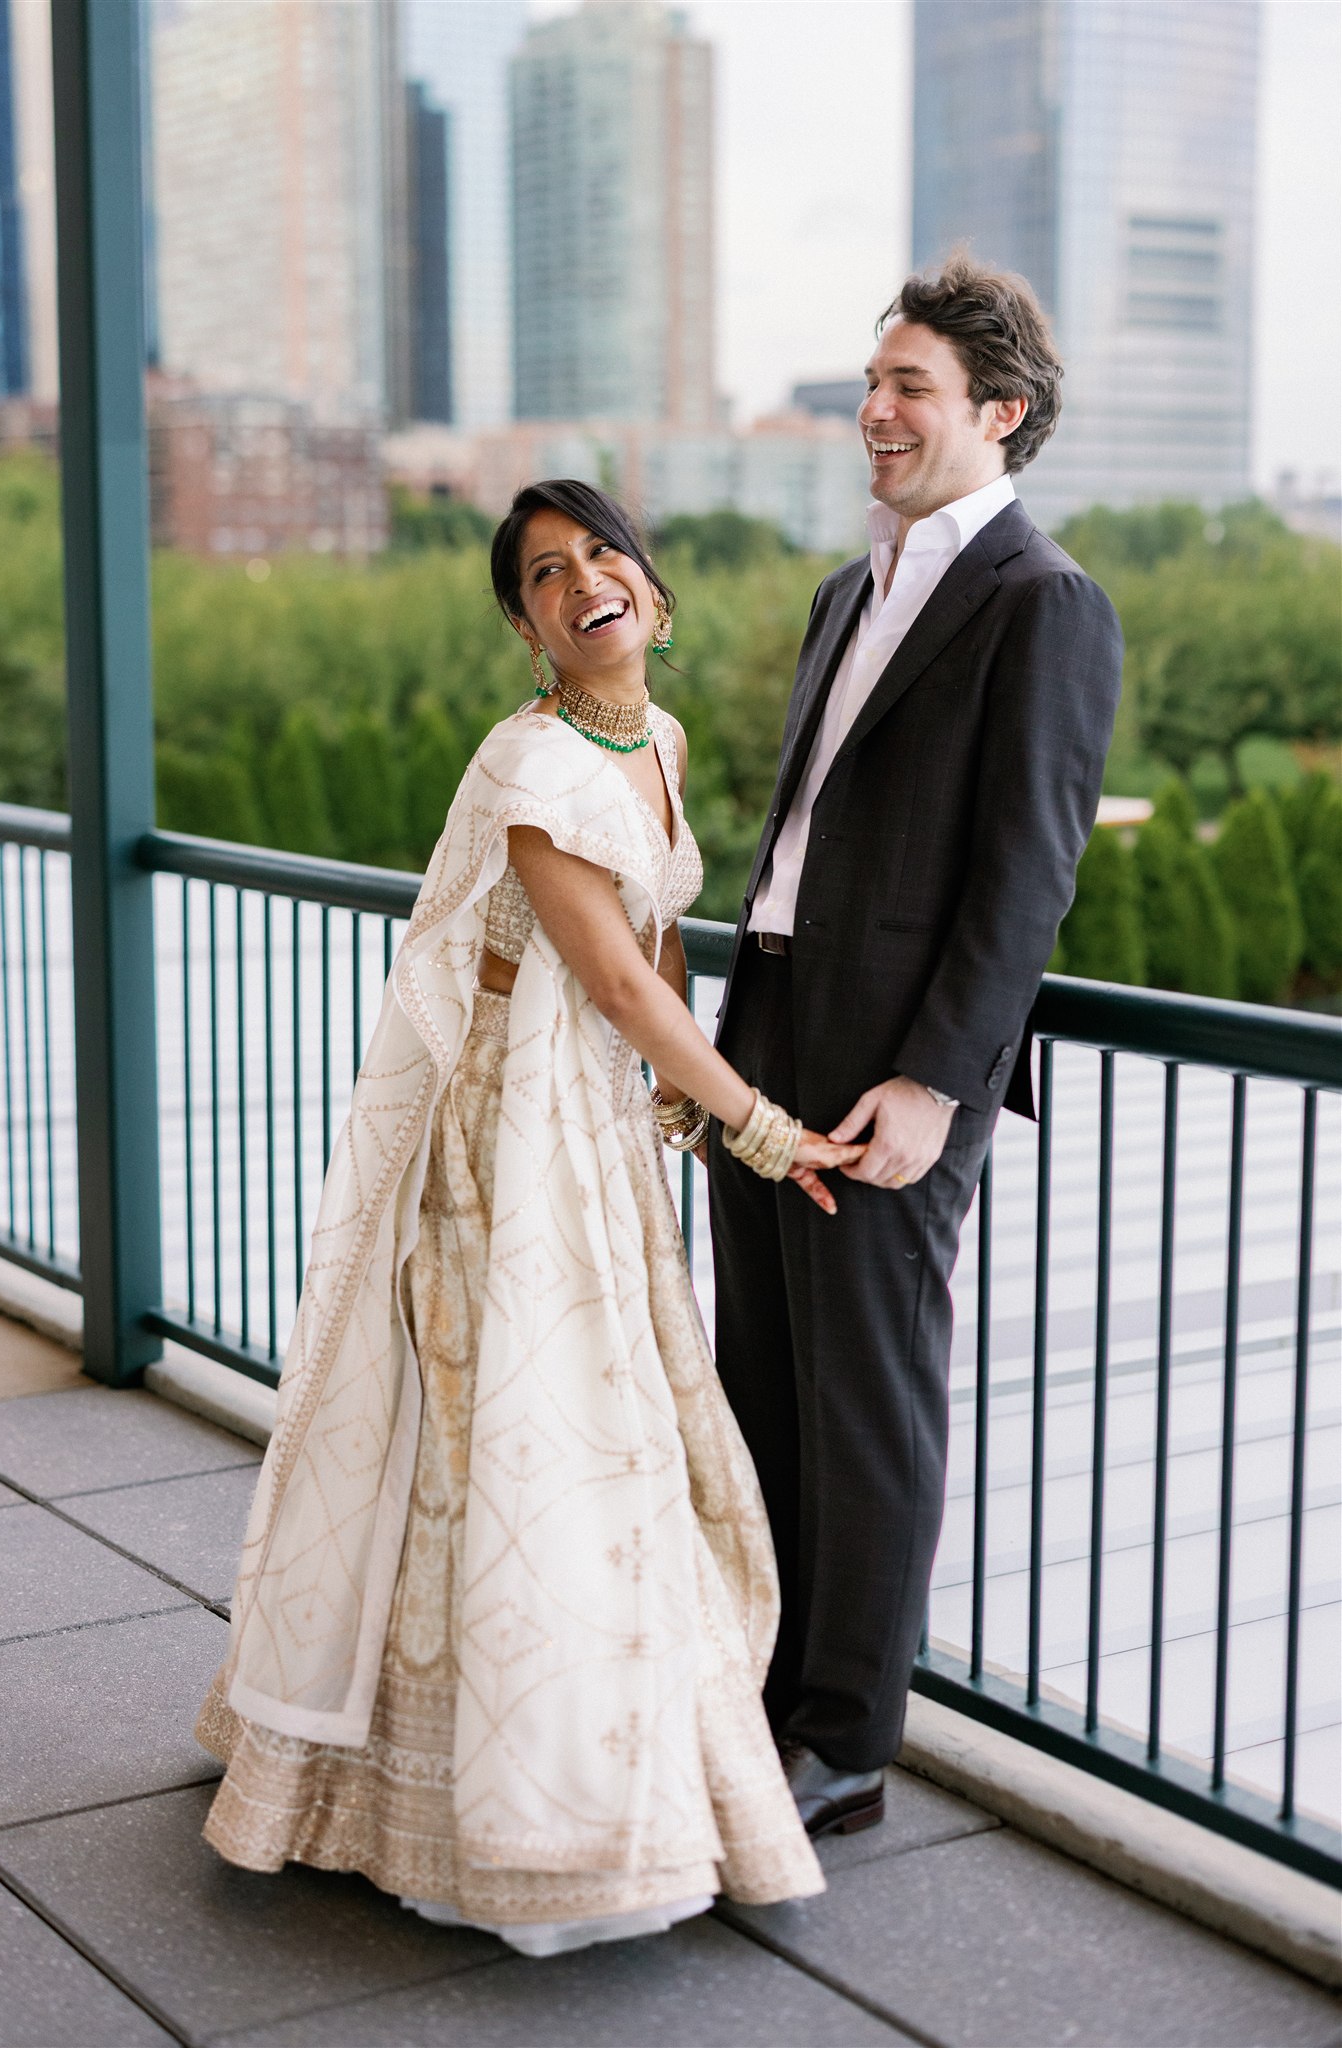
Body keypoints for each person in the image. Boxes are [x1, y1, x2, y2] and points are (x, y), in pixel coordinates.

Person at [196, 479, 859, 1956]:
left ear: (652, 592)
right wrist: (751, 1123)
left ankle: (607, 1762)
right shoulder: (532, 760)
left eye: (602, 553)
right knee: (514, 1426)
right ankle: (457, 1796)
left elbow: (656, 941)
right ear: (527, 627)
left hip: (598, 1112)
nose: (582, 581)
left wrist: (675, 1097)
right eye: (545, 575)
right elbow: (607, 981)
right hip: (511, 1120)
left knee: (595, 1419)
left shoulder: (655, 741)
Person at [709, 254, 1124, 1838]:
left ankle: (844, 1742)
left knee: (865, 1399)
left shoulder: (1042, 602)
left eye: (910, 388)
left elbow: (1025, 874)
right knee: (763, 1382)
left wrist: (937, 1082)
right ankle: (760, 1689)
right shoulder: (848, 589)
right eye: (872, 382)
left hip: (890, 1067)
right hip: (766, 1029)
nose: (874, 412)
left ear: (998, 413)